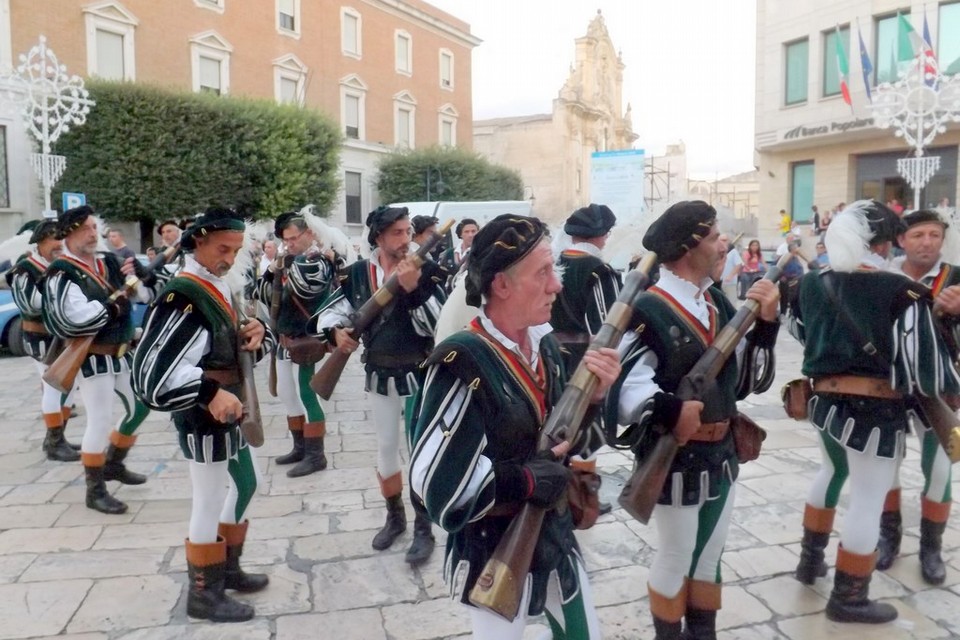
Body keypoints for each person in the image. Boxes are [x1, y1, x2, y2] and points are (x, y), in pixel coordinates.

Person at [410, 214, 621, 639]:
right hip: (493, 546)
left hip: (554, 530)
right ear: (501, 285)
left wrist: (595, 400)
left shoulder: (545, 345)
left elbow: (572, 446)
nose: (557, 285)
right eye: (543, 272)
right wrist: (522, 481)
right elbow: (434, 483)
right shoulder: (462, 360)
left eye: (554, 271)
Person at [608, 201, 780, 640]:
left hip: (722, 453)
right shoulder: (648, 310)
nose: (723, 243)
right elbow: (624, 388)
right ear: (688, 248)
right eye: (713, 236)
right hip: (675, 460)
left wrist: (765, 324)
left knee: (708, 556)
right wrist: (668, 409)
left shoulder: (716, 302)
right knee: (676, 554)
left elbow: (742, 381)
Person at [787, 201, 960, 624]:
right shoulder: (901, 291)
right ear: (883, 245)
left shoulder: (811, 284)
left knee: (828, 474)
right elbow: (923, 366)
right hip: (875, 408)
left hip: (823, 402)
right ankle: (849, 596)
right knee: (867, 499)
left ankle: (810, 563)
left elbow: (800, 332)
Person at [132, 207, 273, 623]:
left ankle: (227, 569)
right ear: (198, 242)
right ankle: (203, 593)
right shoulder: (183, 295)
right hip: (203, 416)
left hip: (229, 411)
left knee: (248, 483)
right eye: (222, 248)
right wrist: (208, 391)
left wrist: (254, 334)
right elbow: (151, 373)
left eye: (236, 249)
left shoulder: (217, 286)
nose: (229, 257)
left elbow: (228, 347)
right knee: (209, 499)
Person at [312, 205, 446, 566]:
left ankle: (423, 527)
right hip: (380, 371)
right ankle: (395, 517)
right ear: (378, 238)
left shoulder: (427, 271)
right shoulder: (357, 273)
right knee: (386, 448)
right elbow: (331, 312)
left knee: (421, 450)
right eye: (398, 233)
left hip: (420, 373)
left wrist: (413, 289)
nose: (406, 239)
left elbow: (438, 327)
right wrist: (336, 332)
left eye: (408, 232)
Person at [43, 206, 158, 514]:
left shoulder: (109, 261)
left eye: (94, 227)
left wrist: (140, 277)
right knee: (100, 419)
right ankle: (95, 490)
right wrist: (112, 306)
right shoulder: (61, 272)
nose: (93, 234)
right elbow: (73, 318)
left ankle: (114, 462)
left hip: (122, 351)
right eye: (85, 229)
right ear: (68, 235)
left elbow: (143, 296)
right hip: (92, 357)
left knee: (141, 404)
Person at [876, 209, 960, 584]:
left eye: (934, 235)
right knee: (884, 469)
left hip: (942, 390)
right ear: (901, 240)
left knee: (940, 470)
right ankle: (888, 537)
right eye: (918, 235)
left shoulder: (956, 279)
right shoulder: (879, 277)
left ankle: (931, 549)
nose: (927, 242)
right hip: (887, 387)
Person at [259, 211, 340, 478]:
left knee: (307, 396)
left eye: (295, 238)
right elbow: (262, 293)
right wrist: (275, 268)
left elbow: (307, 286)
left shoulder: (319, 260)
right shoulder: (288, 259)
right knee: (286, 394)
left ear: (309, 234)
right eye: (287, 239)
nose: (290, 243)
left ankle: (316, 455)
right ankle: (300, 446)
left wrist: (283, 265)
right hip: (285, 337)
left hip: (307, 339)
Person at [7, 219, 79, 461]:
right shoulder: (24, 268)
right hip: (39, 336)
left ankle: (58, 438)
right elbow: (30, 303)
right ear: (40, 242)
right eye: (54, 239)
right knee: (52, 385)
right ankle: (54, 440)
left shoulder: (62, 264)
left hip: (63, 337)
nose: (60, 244)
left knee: (68, 386)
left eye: (62, 238)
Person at [718, 233, 743, 304]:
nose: (722, 242)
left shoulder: (733, 251)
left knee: (731, 301)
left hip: (730, 282)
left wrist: (730, 276)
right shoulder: (717, 251)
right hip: (719, 281)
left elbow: (739, 264)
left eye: (724, 240)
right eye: (720, 240)